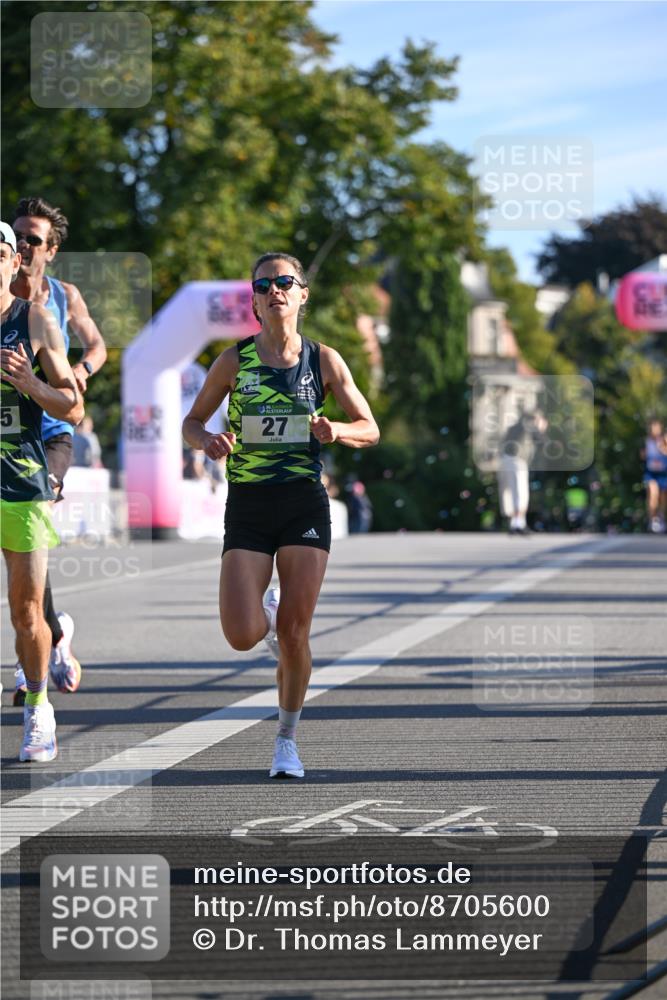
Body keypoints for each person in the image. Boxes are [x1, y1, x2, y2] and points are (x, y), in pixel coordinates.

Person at [183, 252, 379, 779]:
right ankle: (265, 612)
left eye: (285, 282)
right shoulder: (233, 361)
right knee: (243, 635)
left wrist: (337, 430)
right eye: (264, 284)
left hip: (302, 503)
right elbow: (192, 421)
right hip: (248, 504)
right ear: (254, 299)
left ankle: (286, 740)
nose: (275, 290)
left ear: (301, 294)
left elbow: (370, 427)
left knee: (295, 634)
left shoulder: (325, 361)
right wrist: (207, 441)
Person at [11, 197, 107, 703]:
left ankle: (35, 650)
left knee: (35, 506)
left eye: (34, 239)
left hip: (52, 432)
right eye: (18, 236)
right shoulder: (0, 296)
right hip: (8, 438)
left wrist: (81, 375)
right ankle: (51, 632)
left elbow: (97, 346)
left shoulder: (63, 295)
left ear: (50, 249)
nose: (24, 246)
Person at [0, 222, 84, 760]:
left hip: (19, 480)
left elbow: (72, 405)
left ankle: (38, 707)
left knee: (27, 613)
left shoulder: (33, 319)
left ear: (12, 263)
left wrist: (29, 383)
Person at [497, 409, 548, 535]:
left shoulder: (514, 427)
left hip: (505, 460)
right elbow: (543, 443)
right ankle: (519, 523)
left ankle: (515, 523)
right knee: (521, 492)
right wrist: (541, 429)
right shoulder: (530, 426)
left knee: (511, 492)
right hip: (517, 461)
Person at [641, 418, 667, 533]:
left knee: (662, 498)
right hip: (651, 473)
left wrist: (662, 447)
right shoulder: (647, 441)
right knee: (653, 494)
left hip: (663, 473)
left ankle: (661, 517)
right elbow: (642, 456)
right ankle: (652, 520)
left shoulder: (664, 440)